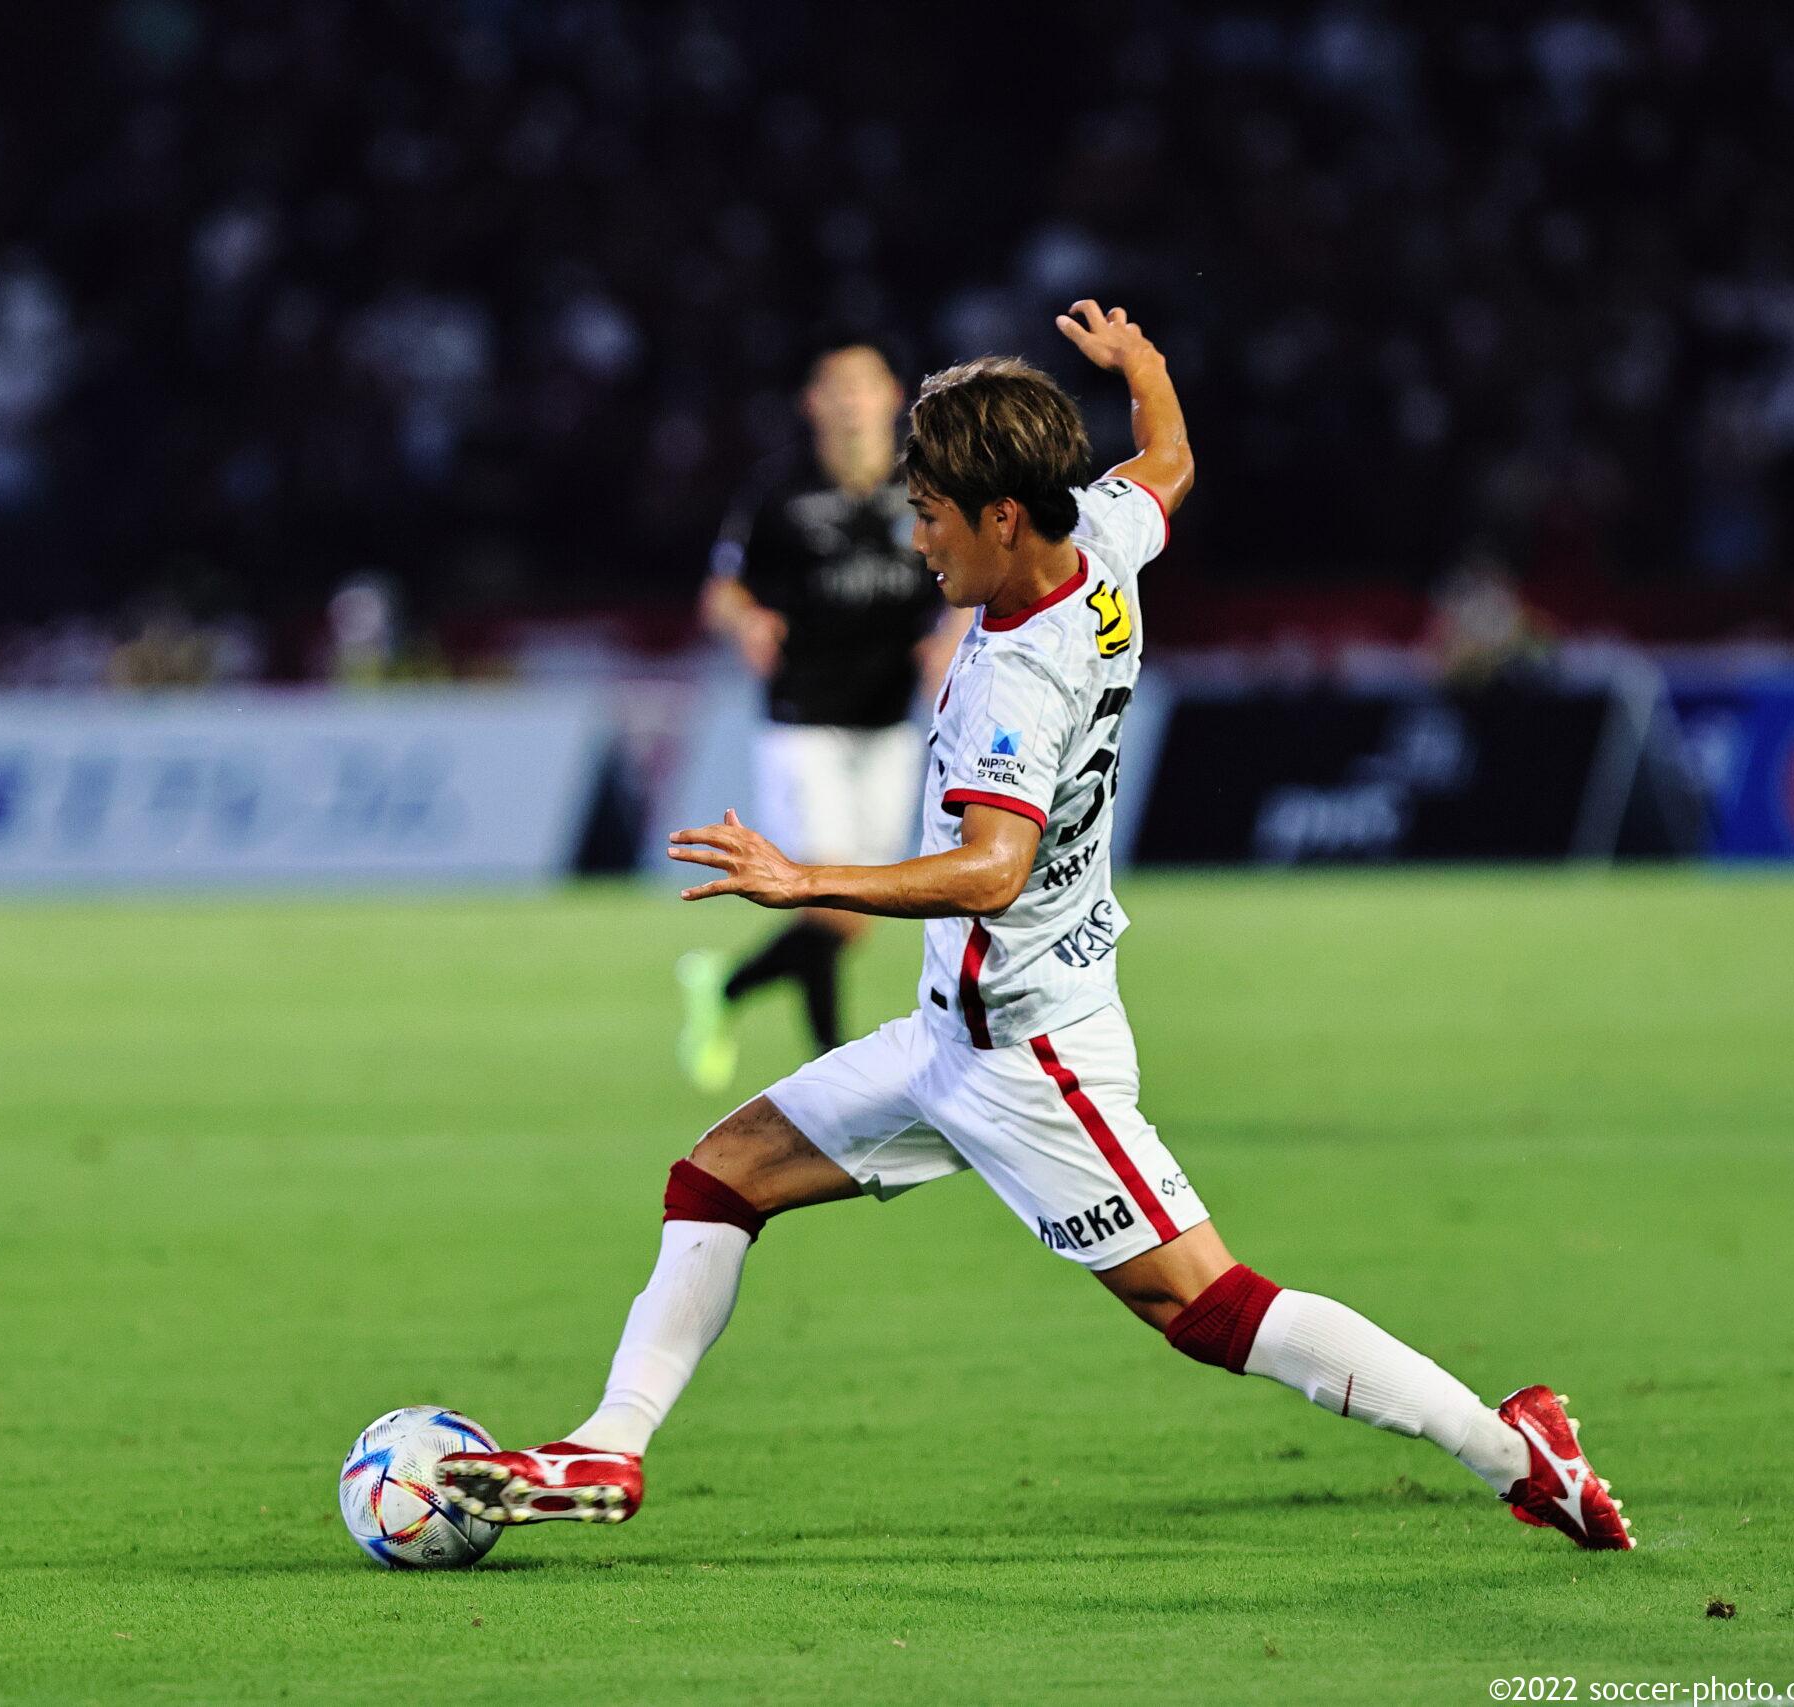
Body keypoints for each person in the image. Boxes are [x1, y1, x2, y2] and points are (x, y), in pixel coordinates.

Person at [440, 302, 1630, 1552]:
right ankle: (607, 1450)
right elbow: (1165, 463)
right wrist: (1148, 367)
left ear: (1002, 516)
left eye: (932, 515)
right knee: (719, 1173)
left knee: (1204, 1307)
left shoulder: (1021, 671)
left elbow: (994, 866)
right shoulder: (1099, 530)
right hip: (946, 1034)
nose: (916, 539)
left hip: (1031, 1056)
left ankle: (1517, 1454)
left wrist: (807, 881)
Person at [680, 336, 965, 1090]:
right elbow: (723, 592)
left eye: (862, 388)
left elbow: (966, 578)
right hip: (804, 715)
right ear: (812, 404)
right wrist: (746, 623)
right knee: (829, 900)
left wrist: (952, 633)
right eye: (834, 388)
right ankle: (834, 1070)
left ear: (891, 397)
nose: (849, 403)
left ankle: (727, 989)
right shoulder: (778, 491)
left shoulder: (922, 486)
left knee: (851, 910)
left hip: (890, 720)